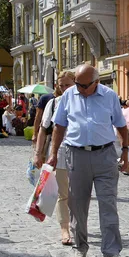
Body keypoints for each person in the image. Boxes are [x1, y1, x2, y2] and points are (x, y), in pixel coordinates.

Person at [48, 64, 129, 257]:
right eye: (78, 84)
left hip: (105, 155)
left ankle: (111, 254)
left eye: (85, 85)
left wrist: (126, 150)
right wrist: (52, 154)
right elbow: (59, 125)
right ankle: (79, 247)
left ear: (97, 82)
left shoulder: (109, 96)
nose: (81, 89)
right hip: (76, 155)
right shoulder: (69, 95)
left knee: (108, 204)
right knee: (77, 205)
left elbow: (121, 124)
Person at [33, 71, 76, 245]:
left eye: (68, 84)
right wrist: (38, 153)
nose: (64, 88)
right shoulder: (53, 103)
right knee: (63, 194)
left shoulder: (84, 102)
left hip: (82, 154)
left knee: (80, 194)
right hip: (59, 152)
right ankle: (64, 228)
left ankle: (77, 224)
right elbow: (44, 129)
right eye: (61, 85)